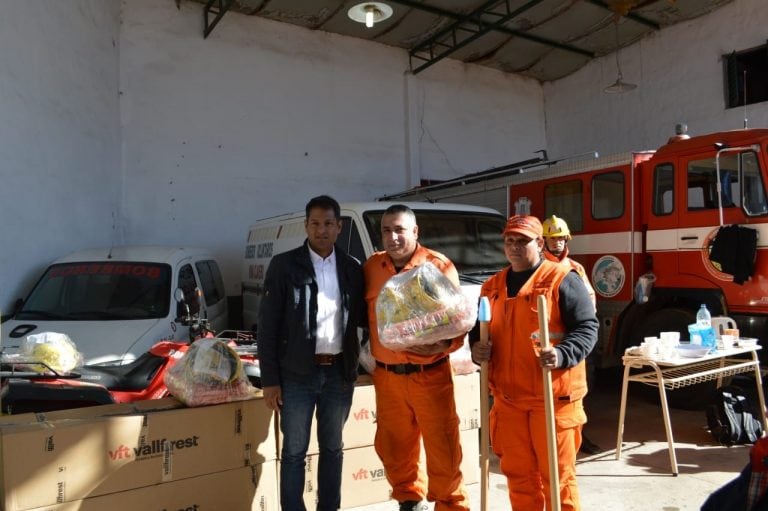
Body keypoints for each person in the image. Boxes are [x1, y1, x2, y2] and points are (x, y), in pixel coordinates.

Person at [471, 215, 598, 511]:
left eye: (523, 240)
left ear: (539, 243)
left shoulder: (562, 279)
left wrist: (563, 354)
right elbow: (478, 333)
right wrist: (476, 349)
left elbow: (587, 327)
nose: (514, 247)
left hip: (552, 400)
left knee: (557, 477)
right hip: (509, 400)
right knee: (518, 476)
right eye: (509, 241)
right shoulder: (491, 287)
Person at [259, 195, 366, 511]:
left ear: (339, 227)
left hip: (338, 375)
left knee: (333, 449)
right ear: (305, 226)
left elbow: (361, 321)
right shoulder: (284, 266)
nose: (322, 230)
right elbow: (267, 328)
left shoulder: (352, 269)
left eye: (328, 224)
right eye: (315, 224)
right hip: (296, 377)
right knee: (294, 451)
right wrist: (270, 381)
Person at [363, 204, 470, 511]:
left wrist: (443, 346)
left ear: (414, 231)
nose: (393, 237)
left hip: (430, 376)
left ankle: (450, 505)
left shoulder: (437, 266)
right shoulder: (371, 268)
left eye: (399, 230)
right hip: (387, 377)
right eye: (386, 230)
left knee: (444, 450)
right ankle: (409, 500)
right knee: (394, 448)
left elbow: (458, 320)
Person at [541, 215, 601, 455]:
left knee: (578, 394)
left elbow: (590, 302)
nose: (556, 243)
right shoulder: (540, 268)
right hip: (550, 347)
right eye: (552, 239)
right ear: (543, 241)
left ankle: (578, 436)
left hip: (577, 341)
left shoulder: (576, 268)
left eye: (560, 238)